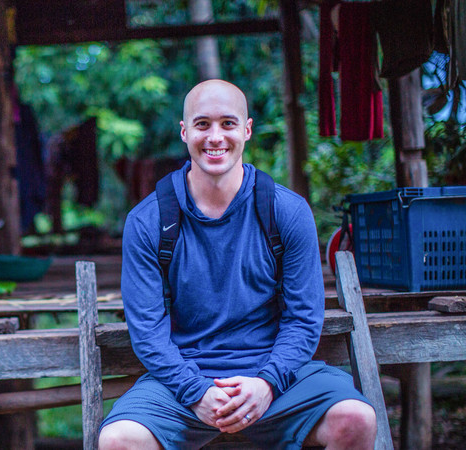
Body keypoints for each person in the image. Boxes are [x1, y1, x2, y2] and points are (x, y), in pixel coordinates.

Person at [99, 80, 377, 450]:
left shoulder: (286, 211)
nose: (215, 137)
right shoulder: (149, 220)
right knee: (118, 440)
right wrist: (196, 392)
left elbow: (304, 317)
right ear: (184, 132)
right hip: (184, 379)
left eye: (228, 123)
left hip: (274, 378)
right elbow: (148, 331)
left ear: (246, 130)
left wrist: (267, 384)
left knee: (357, 419)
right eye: (202, 125)